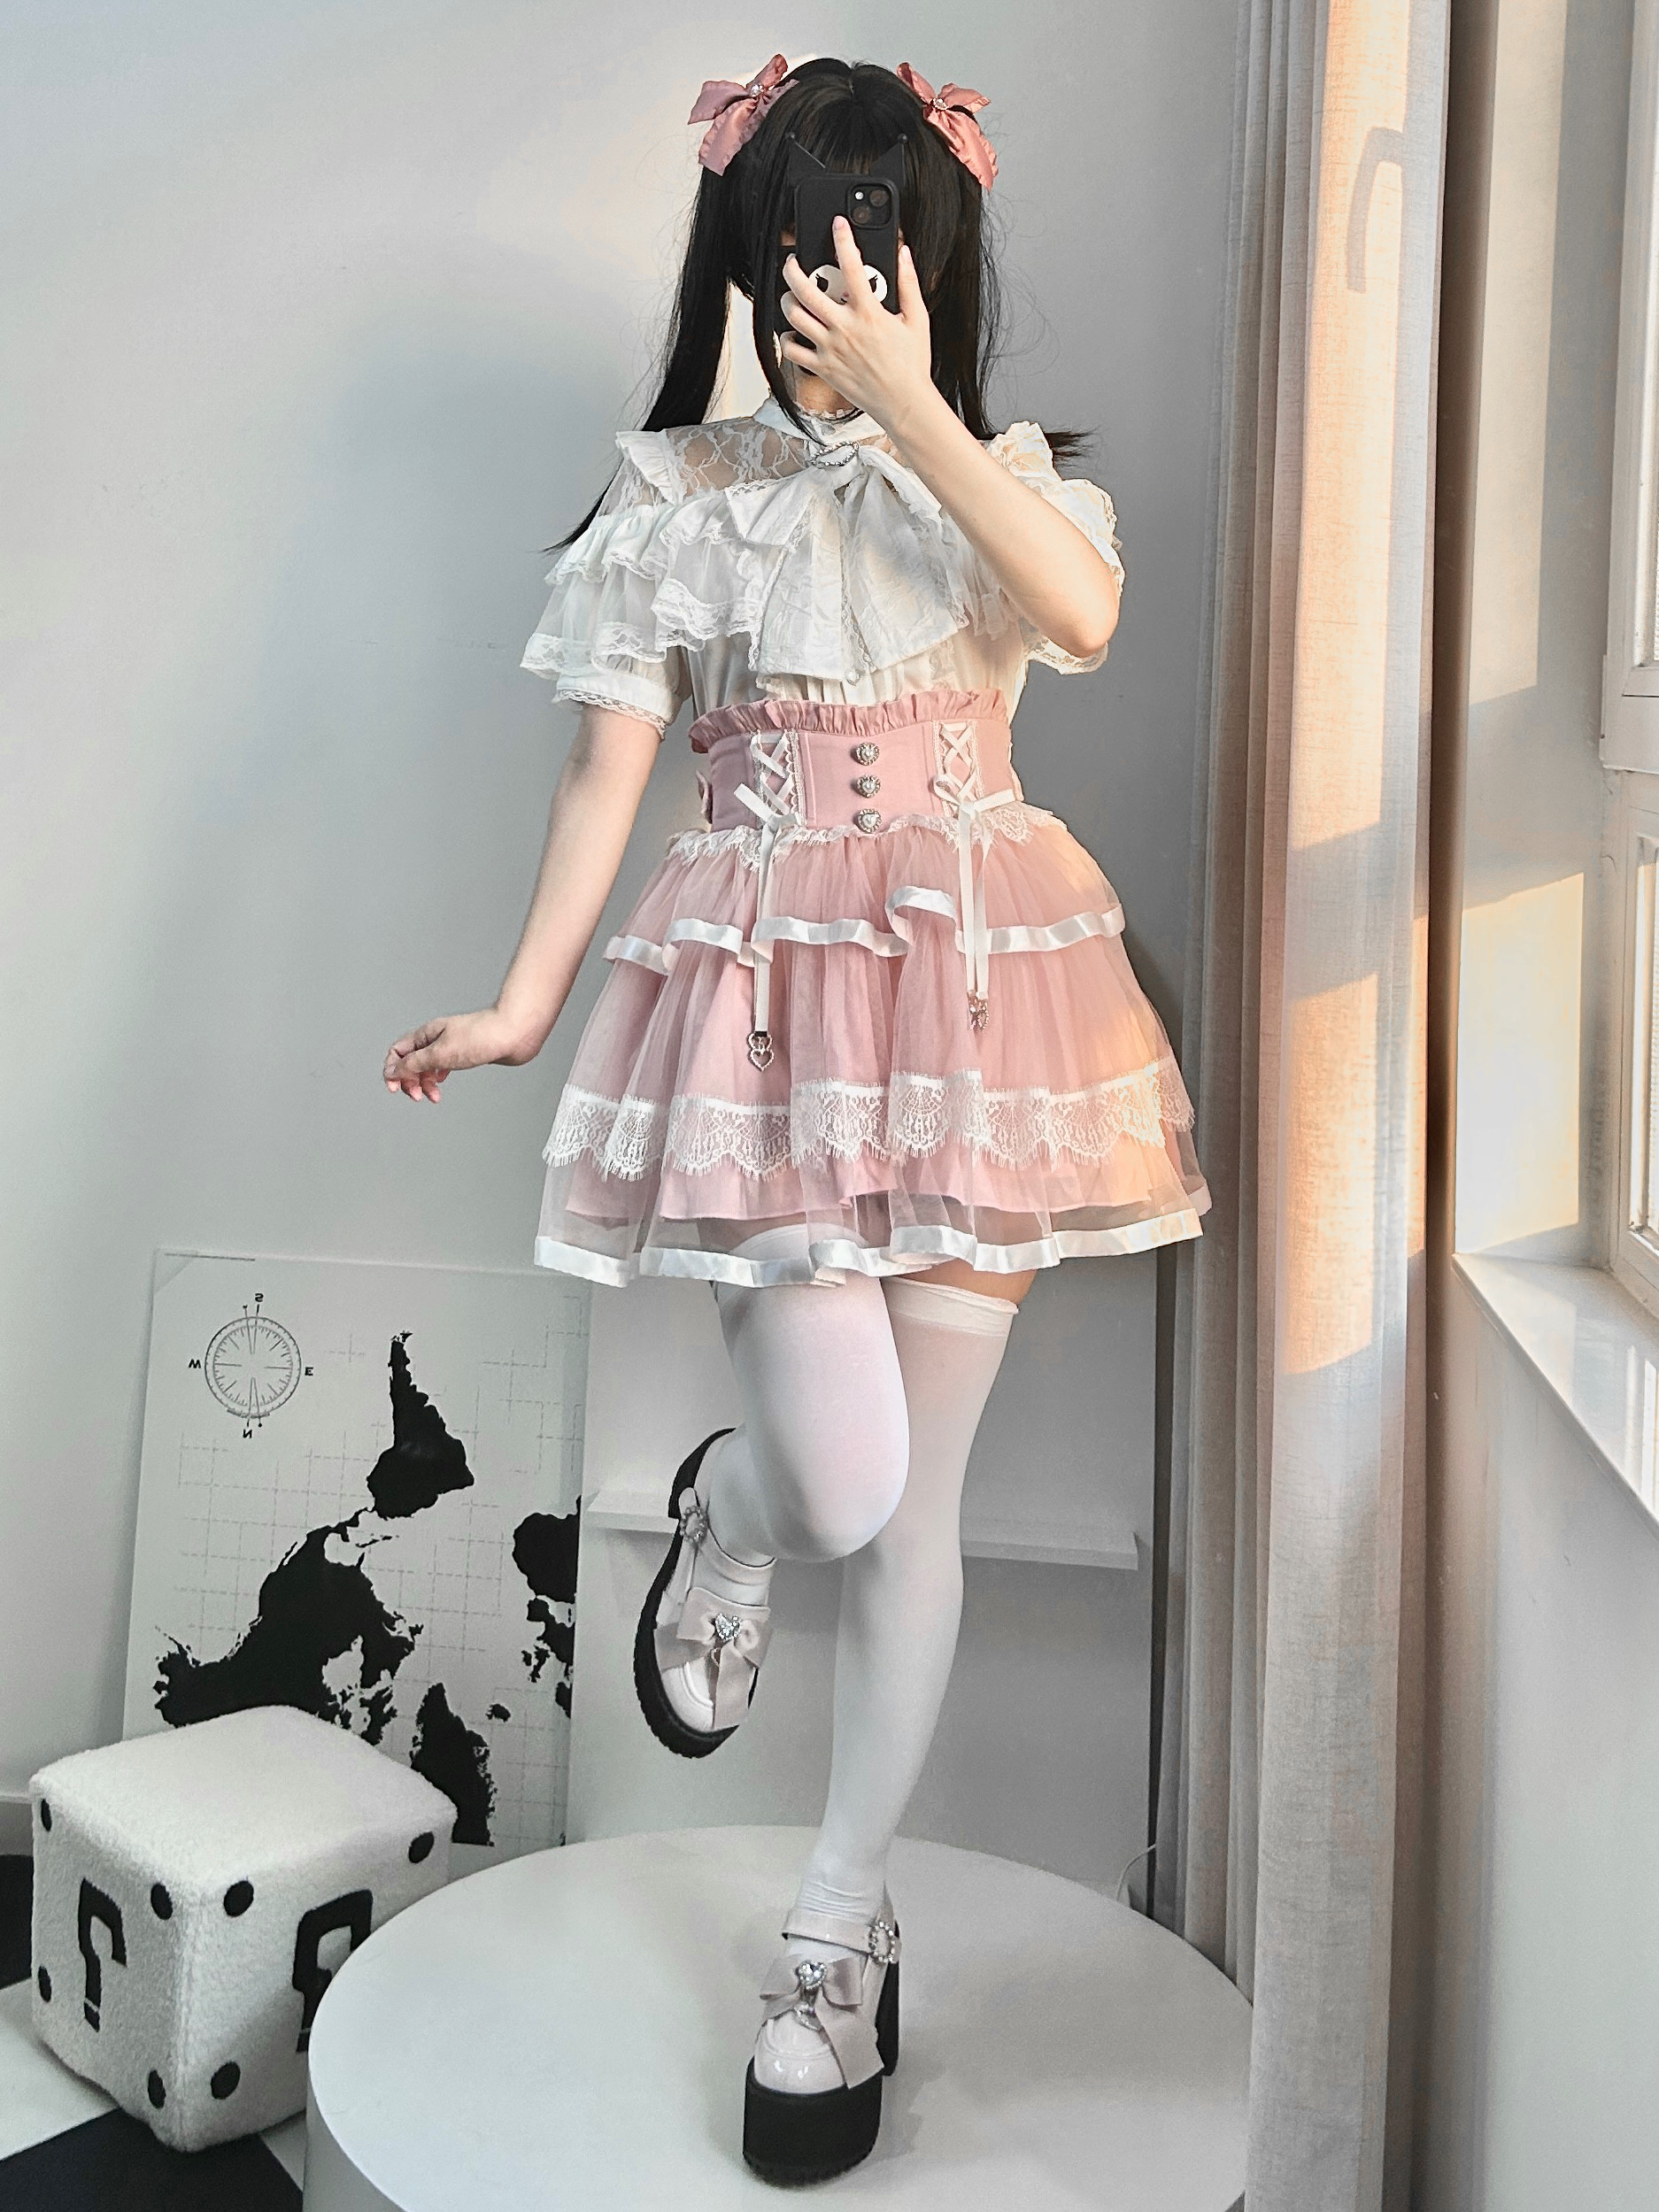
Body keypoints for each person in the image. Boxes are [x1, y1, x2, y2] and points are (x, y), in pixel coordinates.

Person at [383, 54, 1208, 2188]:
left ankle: (834, 1935)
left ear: (929, 266)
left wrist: (920, 412)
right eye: (793, 265)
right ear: (742, 268)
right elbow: (607, 772)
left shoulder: (1003, 486)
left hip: (976, 1009)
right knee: (840, 1479)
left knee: (919, 1505)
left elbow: (1086, 618)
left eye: (867, 262)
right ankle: (731, 1513)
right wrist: (522, 1001)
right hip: (760, 1016)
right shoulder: (672, 498)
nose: (824, 303)